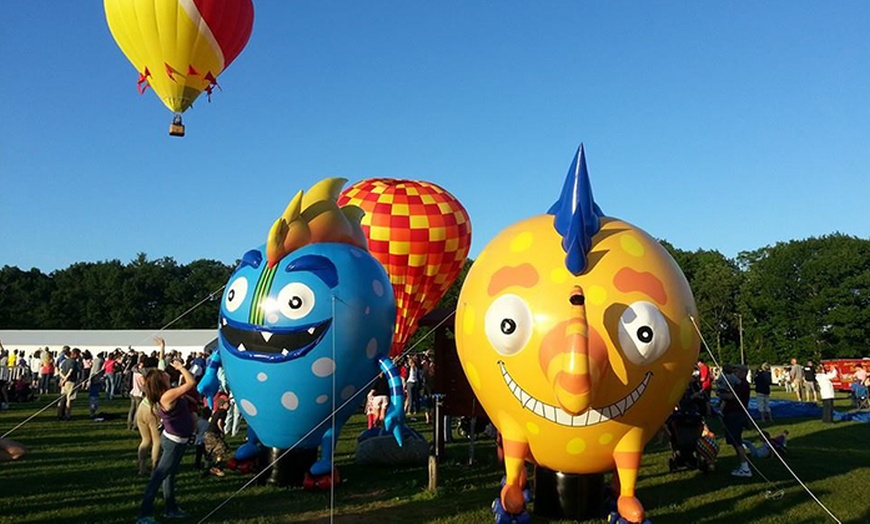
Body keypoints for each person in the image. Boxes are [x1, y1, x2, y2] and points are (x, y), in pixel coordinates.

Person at [137, 358, 196, 523]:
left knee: (169, 475)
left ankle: (171, 508)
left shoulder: (168, 393)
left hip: (178, 440)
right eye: (164, 374)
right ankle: (144, 515)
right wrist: (181, 368)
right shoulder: (168, 395)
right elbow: (191, 383)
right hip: (174, 442)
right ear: (160, 381)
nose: (167, 374)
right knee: (158, 477)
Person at [719, 364, 752, 477]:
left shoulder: (742, 385)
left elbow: (731, 397)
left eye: (736, 371)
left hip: (736, 414)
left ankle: (745, 467)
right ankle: (743, 465)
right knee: (735, 441)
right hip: (733, 414)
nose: (734, 373)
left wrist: (721, 394)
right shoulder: (738, 384)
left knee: (737, 441)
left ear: (743, 372)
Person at [57, 348, 82, 420]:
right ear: (75, 354)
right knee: (70, 399)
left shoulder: (64, 361)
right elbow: (70, 371)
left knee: (62, 398)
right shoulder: (73, 362)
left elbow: (60, 371)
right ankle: (68, 415)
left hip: (64, 382)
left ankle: (60, 414)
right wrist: (65, 379)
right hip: (71, 382)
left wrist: (62, 380)